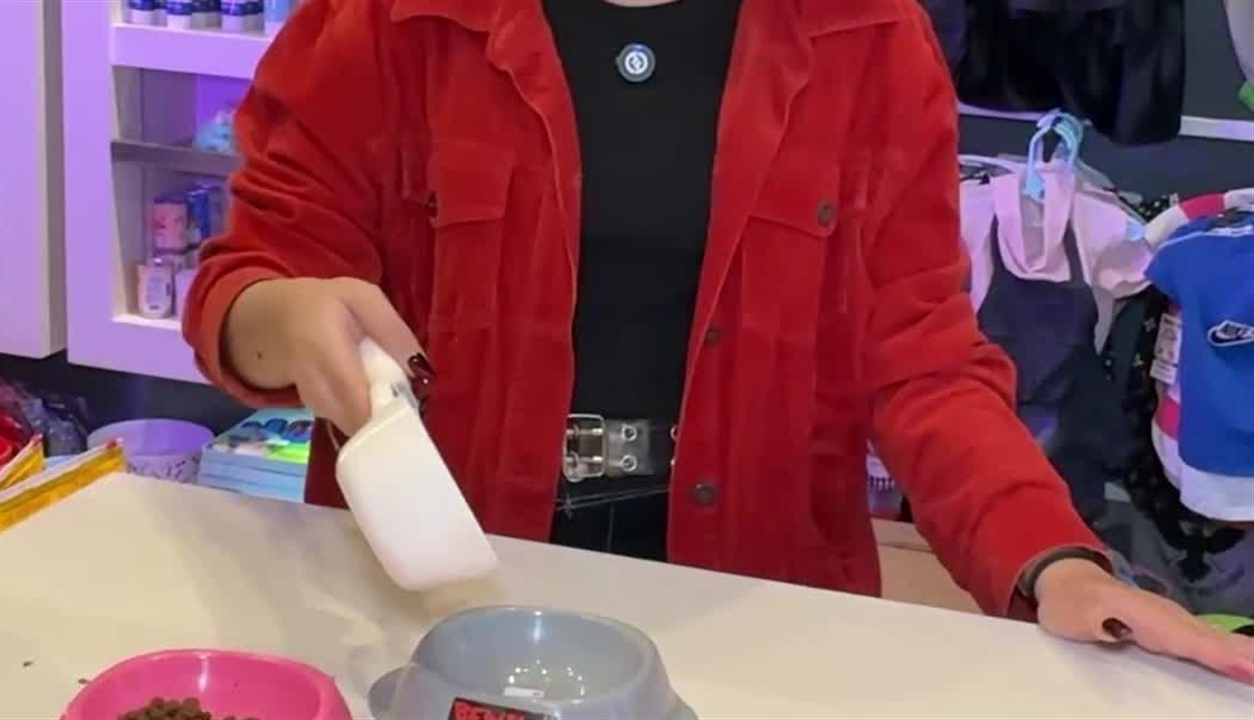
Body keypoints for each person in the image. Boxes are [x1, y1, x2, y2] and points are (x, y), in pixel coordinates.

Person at [182, 0, 1254, 683]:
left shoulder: (867, 37)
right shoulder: (385, 24)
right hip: (438, 600)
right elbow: (249, 278)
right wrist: (276, 315)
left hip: (750, 610)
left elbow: (923, 359)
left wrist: (1051, 560)